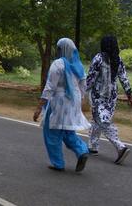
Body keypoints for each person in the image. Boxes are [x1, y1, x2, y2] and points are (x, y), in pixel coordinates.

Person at [33, 38, 90, 172]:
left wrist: (39, 106)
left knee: (51, 131)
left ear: (61, 49)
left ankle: (58, 163)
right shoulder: (78, 64)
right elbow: (83, 86)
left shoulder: (58, 64)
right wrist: (79, 102)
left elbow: (50, 87)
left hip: (59, 101)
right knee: (67, 130)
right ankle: (82, 150)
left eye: (58, 48)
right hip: (73, 102)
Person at [86, 35, 132, 165]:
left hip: (99, 94)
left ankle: (120, 147)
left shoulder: (99, 58)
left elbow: (91, 78)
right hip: (112, 96)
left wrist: (81, 91)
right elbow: (124, 78)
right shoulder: (117, 59)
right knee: (97, 119)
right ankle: (93, 146)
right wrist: (130, 96)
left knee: (103, 121)